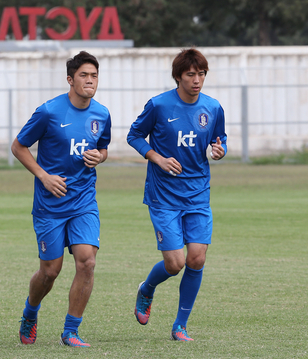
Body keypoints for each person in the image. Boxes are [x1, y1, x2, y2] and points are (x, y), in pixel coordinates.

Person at [12, 51, 111, 348]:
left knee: (87, 263)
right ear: (70, 79)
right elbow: (19, 147)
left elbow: (103, 148)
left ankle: (71, 330)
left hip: (83, 201)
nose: (89, 81)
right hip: (50, 205)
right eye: (84, 75)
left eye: (94, 76)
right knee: (50, 271)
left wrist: (100, 156)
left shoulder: (102, 114)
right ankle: (31, 311)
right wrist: (43, 176)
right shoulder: (49, 112)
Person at [127, 48, 227, 341]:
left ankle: (180, 326)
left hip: (197, 192)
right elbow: (134, 135)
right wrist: (156, 158)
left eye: (201, 74)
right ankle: (147, 289)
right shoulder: (158, 105)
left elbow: (219, 142)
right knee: (175, 263)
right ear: (178, 77)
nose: (197, 80)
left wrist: (219, 152)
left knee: (196, 258)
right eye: (190, 74)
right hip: (164, 195)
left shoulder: (213, 108)